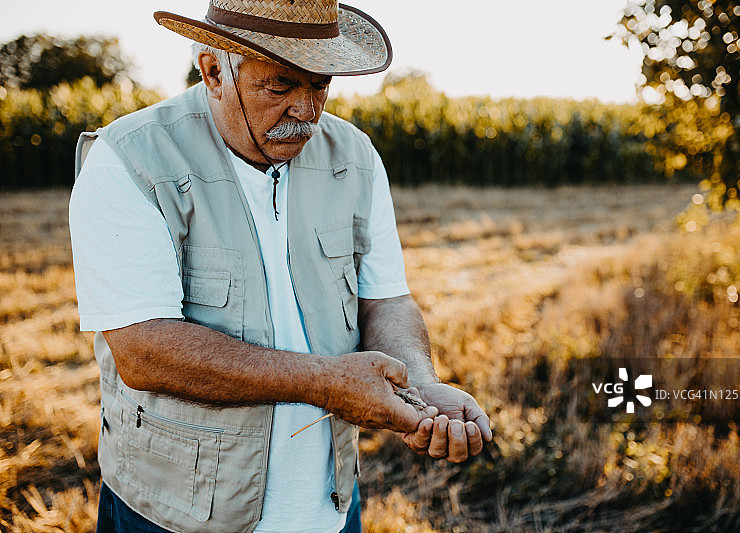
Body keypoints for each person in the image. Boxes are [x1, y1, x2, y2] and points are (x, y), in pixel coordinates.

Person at [69, 1, 492, 532]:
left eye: (320, 85)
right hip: (175, 515)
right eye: (281, 86)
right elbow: (143, 350)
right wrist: (322, 382)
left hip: (330, 509)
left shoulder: (355, 156)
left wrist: (421, 385)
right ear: (213, 71)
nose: (307, 111)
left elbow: (384, 299)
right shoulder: (130, 159)